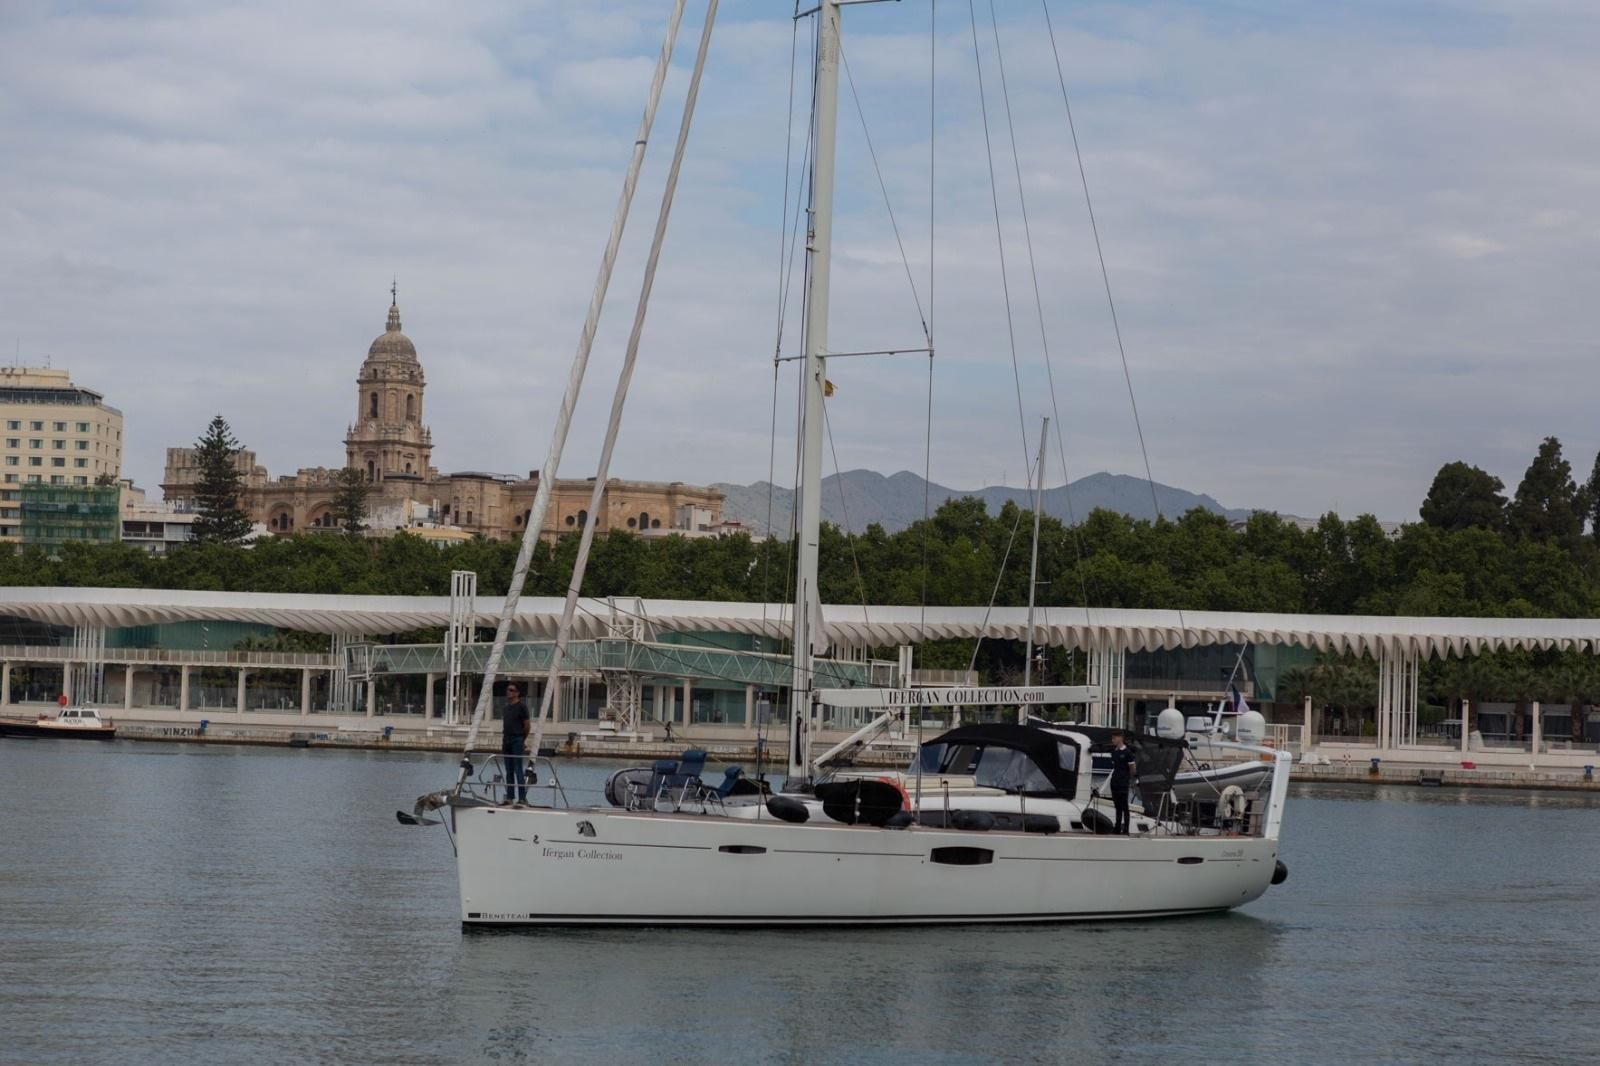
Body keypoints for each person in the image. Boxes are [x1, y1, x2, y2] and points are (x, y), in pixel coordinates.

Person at [500, 682, 531, 805]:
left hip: (517, 739)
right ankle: (510, 796)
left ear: (517, 693)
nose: (509, 692)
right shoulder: (506, 708)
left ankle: (522, 798)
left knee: (518, 769)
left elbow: (527, 726)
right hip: (506, 739)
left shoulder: (522, 707)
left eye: (512, 690)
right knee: (508, 770)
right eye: (508, 690)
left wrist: (522, 739)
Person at [1108, 730, 1137, 835]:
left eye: (1114, 738)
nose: (1113, 740)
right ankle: (1117, 827)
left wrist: (1128, 778)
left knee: (1124, 805)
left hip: (1123, 781)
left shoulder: (1127, 752)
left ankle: (1126, 829)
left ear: (1120, 738)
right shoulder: (1114, 752)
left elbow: (1133, 769)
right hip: (1115, 781)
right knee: (1117, 806)